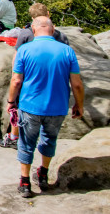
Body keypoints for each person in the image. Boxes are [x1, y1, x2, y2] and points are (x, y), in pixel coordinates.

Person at [6, 16, 85, 198]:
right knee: (49, 139)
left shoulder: (25, 50)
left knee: (26, 143)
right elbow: (77, 84)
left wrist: (11, 102)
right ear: (53, 29)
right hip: (57, 107)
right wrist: (79, 105)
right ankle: (43, 173)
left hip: (30, 106)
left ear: (33, 29)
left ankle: (25, 183)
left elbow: (16, 80)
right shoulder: (67, 51)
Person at [0, 4, 69, 149]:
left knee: (17, 106)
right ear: (48, 14)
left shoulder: (26, 34)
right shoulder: (60, 36)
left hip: (28, 77)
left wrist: (14, 76)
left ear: (32, 19)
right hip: (53, 78)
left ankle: (14, 137)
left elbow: (17, 56)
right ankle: (44, 141)